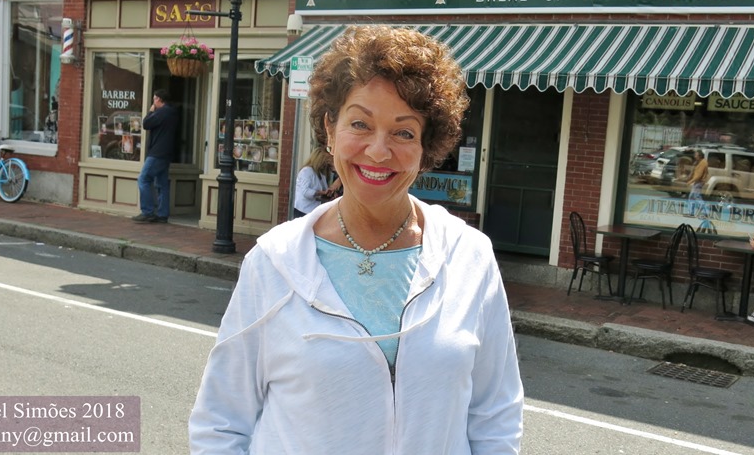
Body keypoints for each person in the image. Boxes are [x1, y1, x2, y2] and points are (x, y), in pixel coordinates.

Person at [190, 26, 524, 453]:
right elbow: (220, 422)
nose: (379, 151)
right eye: (360, 124)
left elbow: (495, 415)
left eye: (404, 132)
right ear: (330, 129)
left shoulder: (469, 256)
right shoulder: (275, 262)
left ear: (426, 146)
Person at [133, 89, 178, 223]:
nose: (153, 102)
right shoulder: (172, 113)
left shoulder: (161, 112)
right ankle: (163, 214)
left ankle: (147, 212)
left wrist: (151, 111)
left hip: (157, 152)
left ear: (158, 99)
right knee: (162, 183)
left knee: (143, 179)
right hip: (166, 153)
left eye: (154, 99)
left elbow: (146, 124)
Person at [293, 147, 341, 218]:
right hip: (303, 210)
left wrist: (329, 194)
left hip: (313, 210)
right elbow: (306, 192)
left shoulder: (321, 174)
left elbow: (323, 192)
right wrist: (321, 193)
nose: (325, 165)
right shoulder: (306, 171)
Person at [686, 149, 708, 217]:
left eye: (696, 155)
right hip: (697, 182)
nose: (695, 156)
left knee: (697, 197)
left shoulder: (703, 163)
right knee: (692, 197)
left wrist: (690, 181)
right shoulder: (699, 162)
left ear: (700, 156)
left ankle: (705, 212)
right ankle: (691, 212)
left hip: (699, 182)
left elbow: (699, 175)